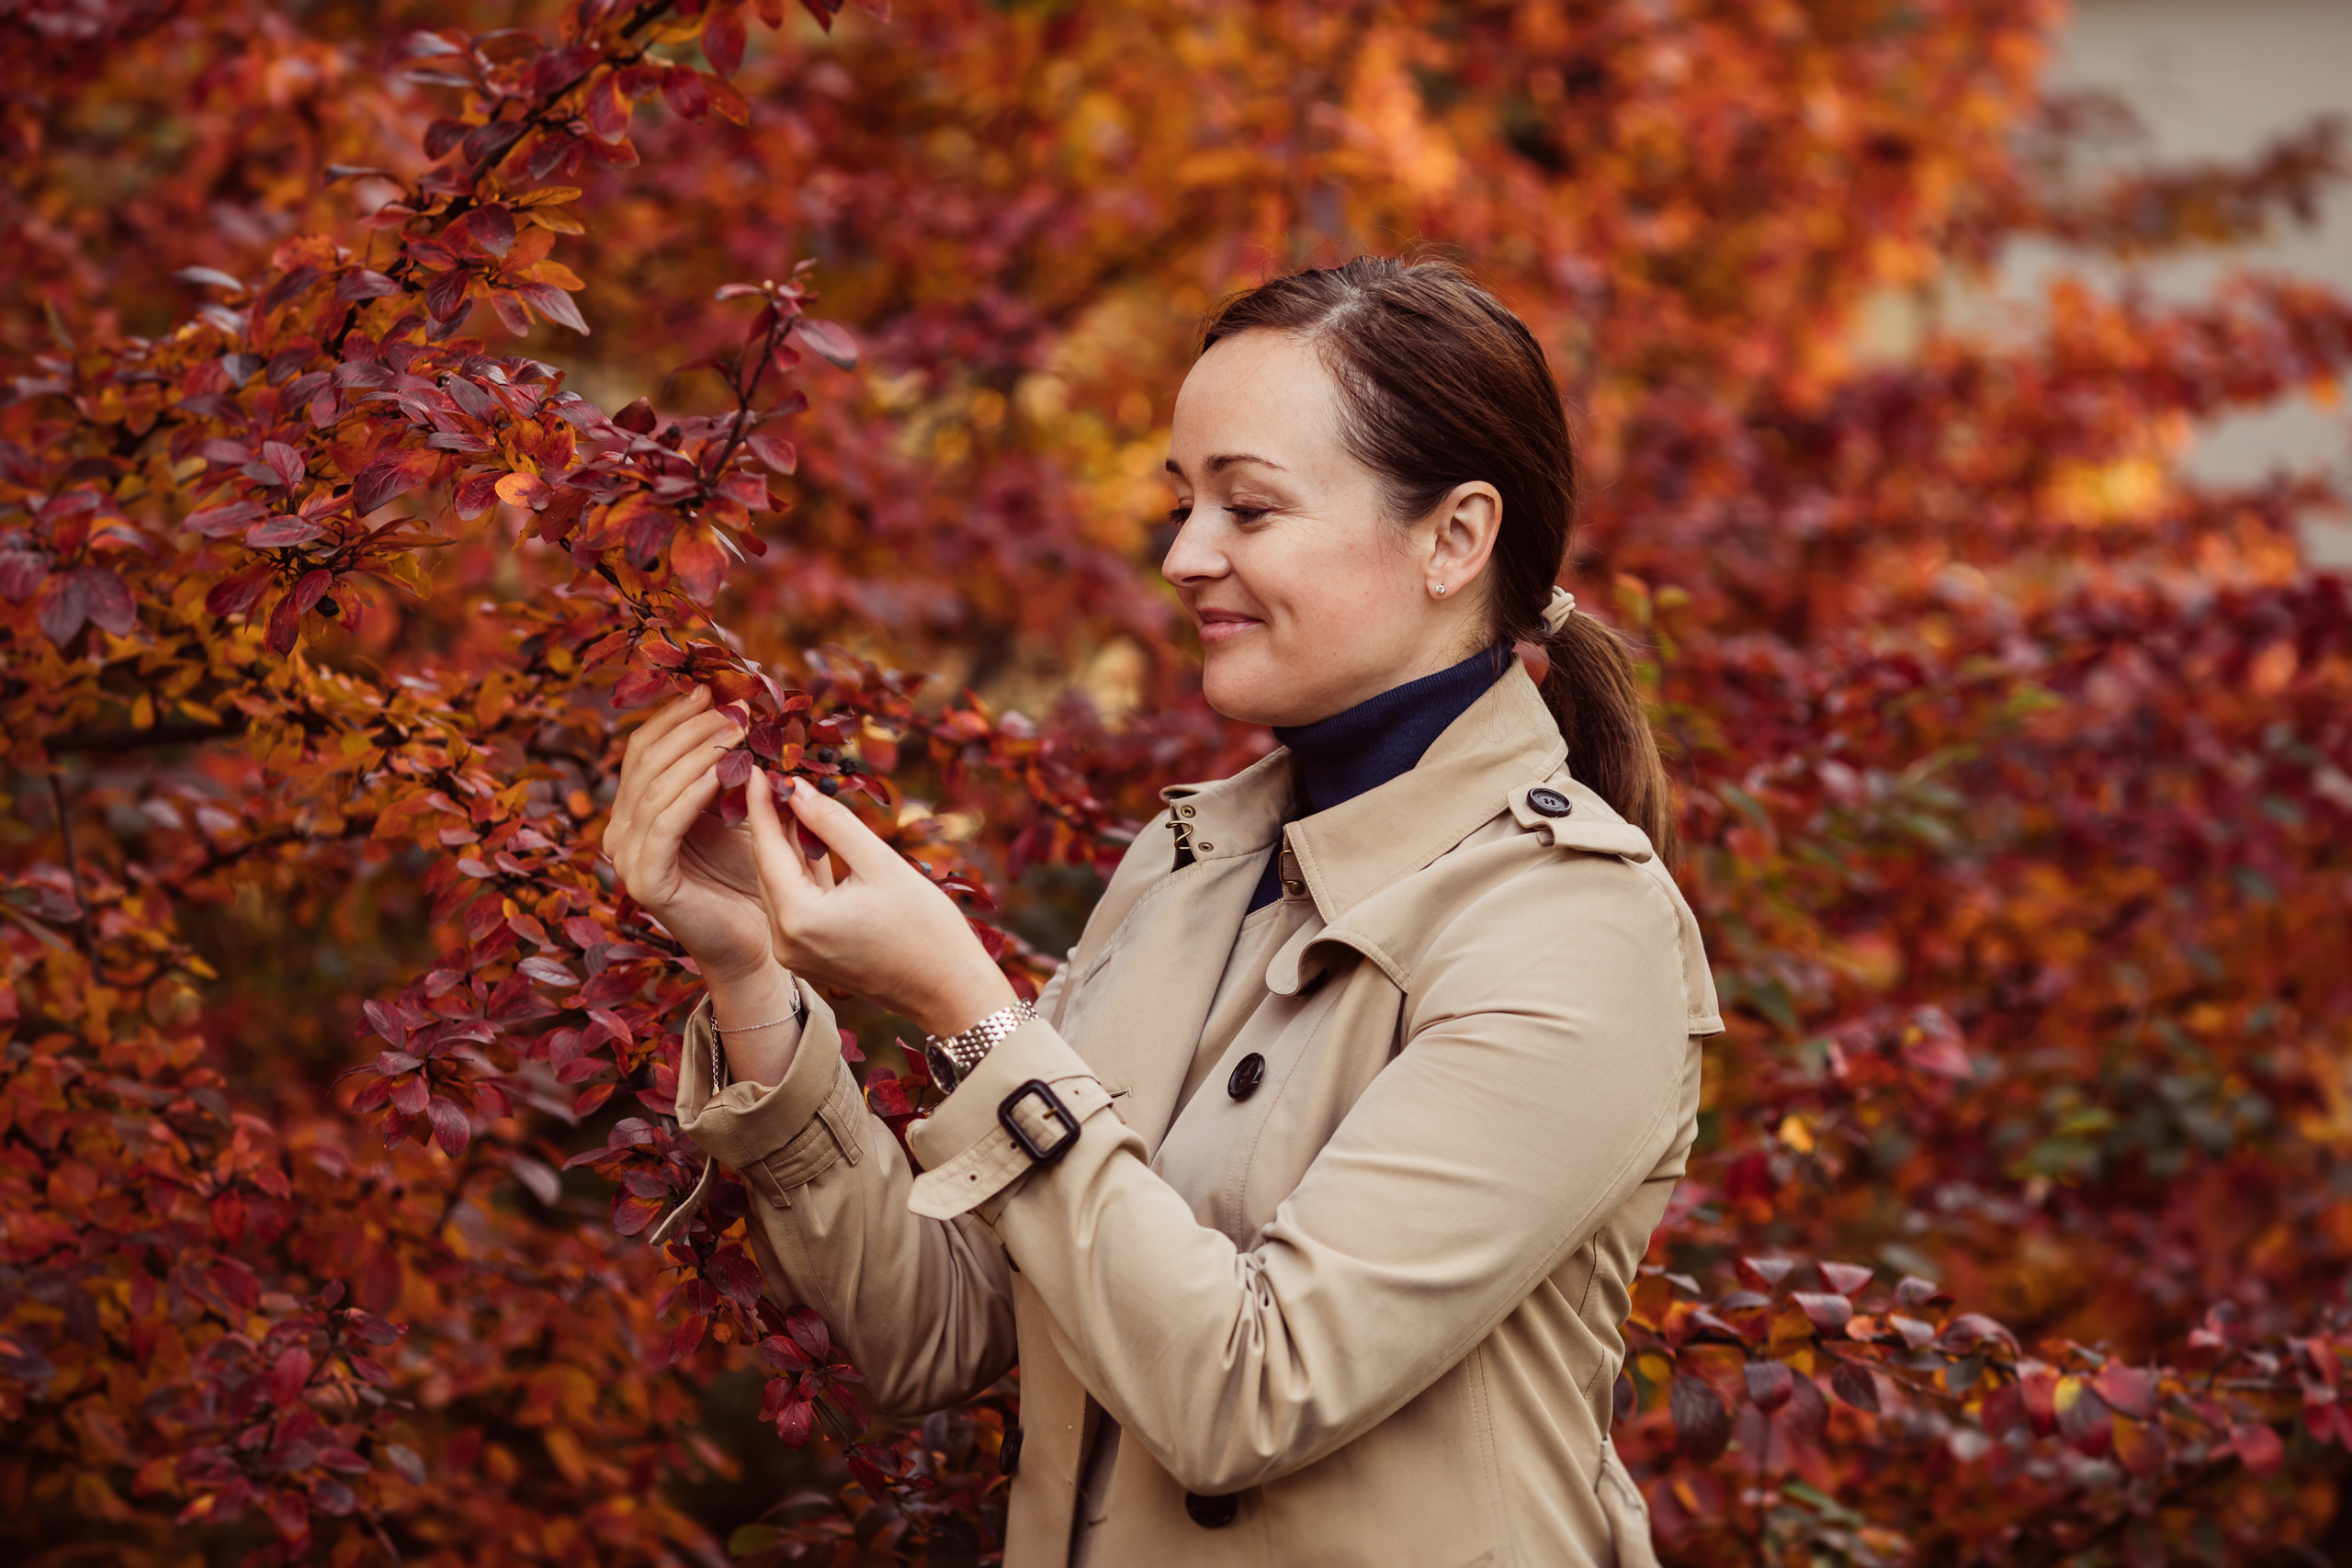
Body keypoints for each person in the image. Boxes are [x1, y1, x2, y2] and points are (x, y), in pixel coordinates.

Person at [607, 256, 1721, 1567]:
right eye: (1183, 502)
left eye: (1249, 508)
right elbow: (942, 1332)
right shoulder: (1191, 865)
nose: (1186, 557)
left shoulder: (1573, 931)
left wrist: (967, 1008)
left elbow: (1249, 1393)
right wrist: (750, 978)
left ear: (1455, 538)